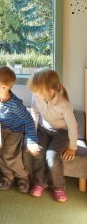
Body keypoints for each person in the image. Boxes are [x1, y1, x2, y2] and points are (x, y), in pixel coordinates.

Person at [28, 68, 78, 202]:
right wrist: (31, 138)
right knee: (38, 153)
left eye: (37, 91)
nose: (34, 93)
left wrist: (72, 147)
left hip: (61, 132)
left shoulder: (63, 103)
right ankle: (39, 183)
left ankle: (58, 187)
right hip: (43, 129)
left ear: (50, 91)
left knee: (52, 157)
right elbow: (34, 114)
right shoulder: (36, 95)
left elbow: (73, 125)